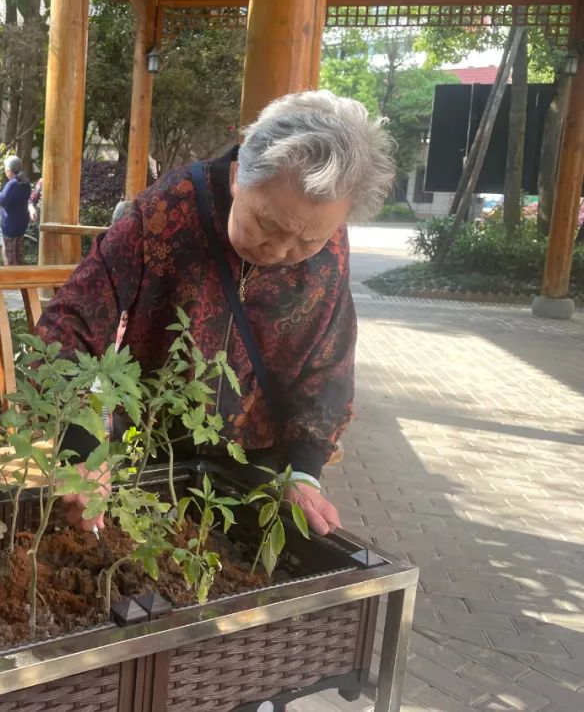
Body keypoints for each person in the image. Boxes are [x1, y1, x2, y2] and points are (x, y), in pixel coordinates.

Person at [37, 90, 395, 538]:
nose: (282, 251)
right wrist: (80, 449)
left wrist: (304, 472)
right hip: (149, 450)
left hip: (259, 466)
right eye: (267, 225)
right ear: (238, 175)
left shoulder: (329, 244)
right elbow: (69, 324)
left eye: (308, 242)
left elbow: (330, 367)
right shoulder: (166, 212)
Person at [0, 155, 32, 265]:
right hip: (22, 223)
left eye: (5, 169)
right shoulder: (26, 182)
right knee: (19, 253)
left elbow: (2, 201)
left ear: (9, 170)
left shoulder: (12, 184)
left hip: (10, 225)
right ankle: (21, 275)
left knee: (9, 254)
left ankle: (11, 277)